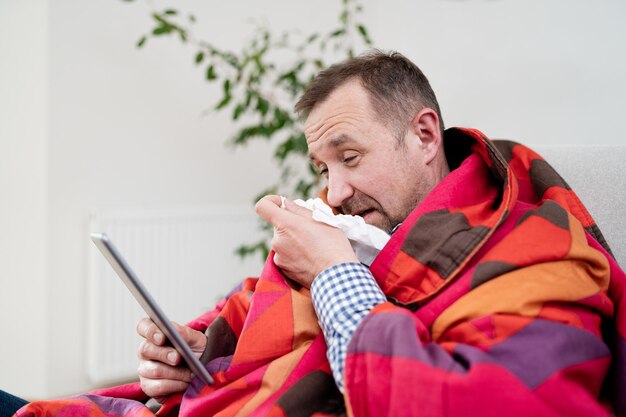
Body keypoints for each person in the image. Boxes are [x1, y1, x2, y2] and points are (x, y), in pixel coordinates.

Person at [14, 50, 626, 416]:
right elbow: (255, 314)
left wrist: (336, 276)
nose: (332, 193)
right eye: (322, 169)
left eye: (350, 157)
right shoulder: (361, 227)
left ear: (423, 134)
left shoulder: (537, 251)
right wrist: (201, 349)